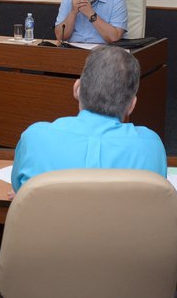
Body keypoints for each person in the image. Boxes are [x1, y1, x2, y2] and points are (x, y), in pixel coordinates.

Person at [11, 45, 167, 193]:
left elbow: (22, 192)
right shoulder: (151, 146)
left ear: (77, 89)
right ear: (131, 105)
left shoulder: (34, 138)